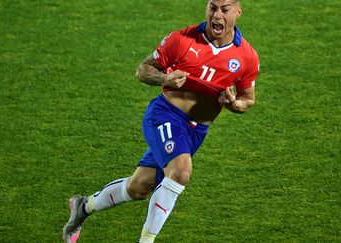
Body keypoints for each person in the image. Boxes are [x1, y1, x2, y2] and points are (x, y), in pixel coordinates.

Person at [62, 0, 259, 242]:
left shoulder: (247, 56)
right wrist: (165, 78)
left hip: (195, 132)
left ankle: (83, 206)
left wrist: (233, 104)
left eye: (224, 9)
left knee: (138, 187)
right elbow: (143, 69)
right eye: (212, 7)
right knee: (181, 172)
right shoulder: (182, 39)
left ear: (238, 11)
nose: (217, 15)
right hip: (166, 115)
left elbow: (247, 99)